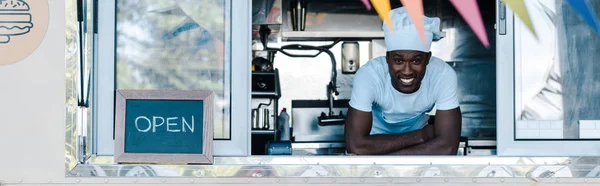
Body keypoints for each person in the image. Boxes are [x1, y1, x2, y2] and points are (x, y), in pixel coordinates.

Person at [345, 7, 462, 155]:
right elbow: (356, 147)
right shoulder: (369, 75)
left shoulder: (442, 75)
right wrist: (422, 136)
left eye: (416, 61)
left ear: (427, 59)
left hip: (378, 154)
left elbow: (447, 147)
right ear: (387, 59)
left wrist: (383, 161)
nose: (407, 71)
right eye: (398, 61)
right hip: (417, 148)